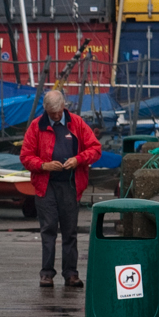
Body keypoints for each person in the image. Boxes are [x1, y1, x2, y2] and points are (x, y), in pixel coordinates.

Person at [20, 88, 102, 287]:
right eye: (52, 113)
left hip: (70, 184)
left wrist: (78, 159)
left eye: (58, 112)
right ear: (46, 110)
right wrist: (43, 165)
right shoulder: (36, 126)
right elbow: (25, 156)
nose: (56, 116)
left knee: (69, 230)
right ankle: (46, 273)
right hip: (45, 185)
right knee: (48, 229)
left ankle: (71, 273)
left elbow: (95, 149)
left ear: (64, 107)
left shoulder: (77, 123)